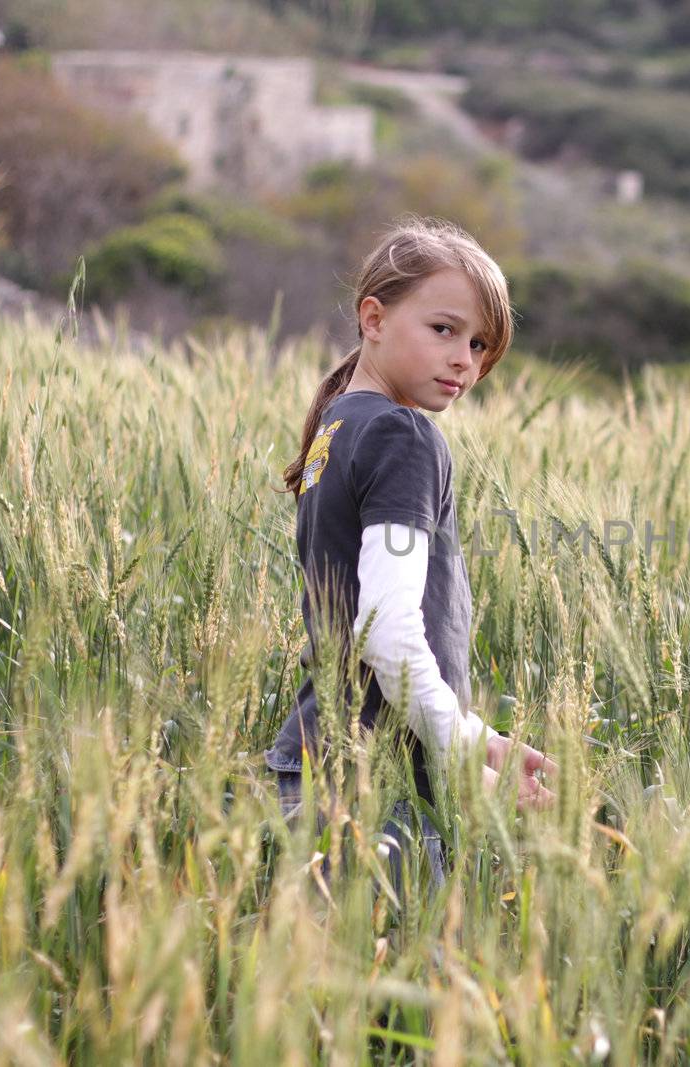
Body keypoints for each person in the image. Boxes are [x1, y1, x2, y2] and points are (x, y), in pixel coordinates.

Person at [264, 215, 557, 890]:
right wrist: (460, 757)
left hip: (317, 761)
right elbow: (386, 629)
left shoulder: (339, 424)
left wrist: (476, 734)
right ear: (373, 317)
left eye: (482, 343)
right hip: (372, 787)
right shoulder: (403, 436)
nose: (466, 360)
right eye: (444, 329)